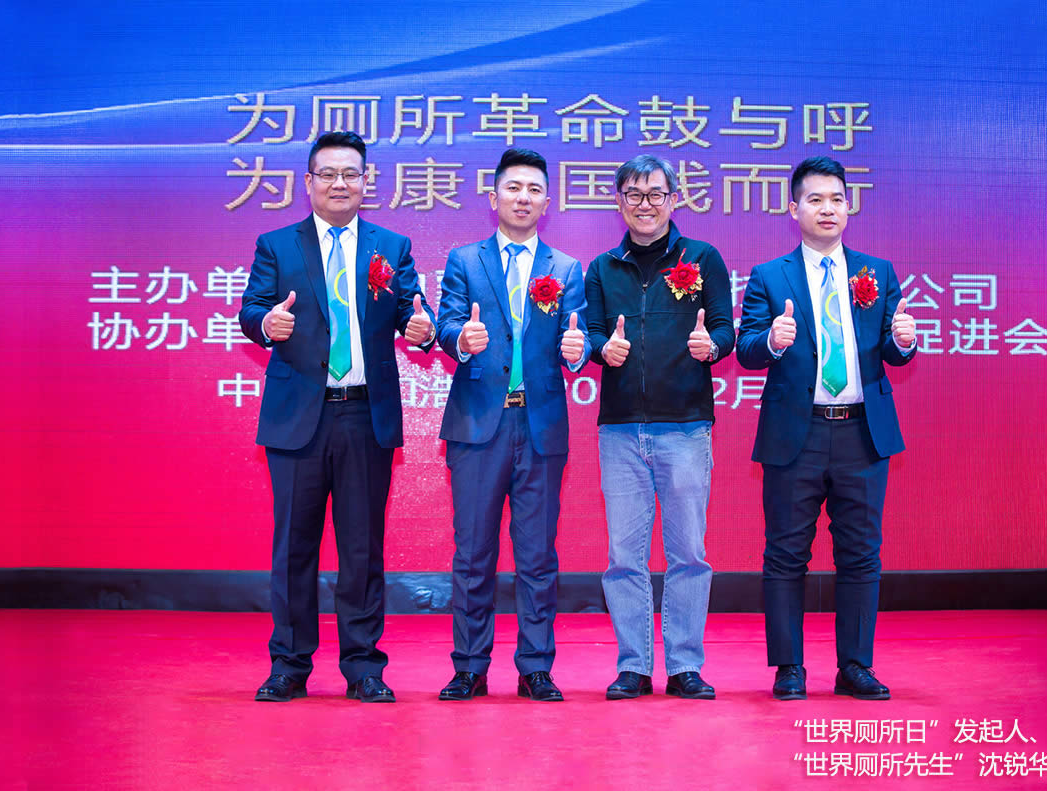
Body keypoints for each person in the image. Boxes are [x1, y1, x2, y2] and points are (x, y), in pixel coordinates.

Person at [238, 131, 436, 703]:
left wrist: (421, 330)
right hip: (298, 418)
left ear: (366, 182)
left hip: (364, 416)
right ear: (309, 182)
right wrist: (265, 323)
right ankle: (289, 665)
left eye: (351, 173)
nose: (340, 183)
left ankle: (364, 667)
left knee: (362, 549)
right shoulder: (277, 245)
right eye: (328, 173)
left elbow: (412, 311)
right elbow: (252, 309)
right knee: (294, 548)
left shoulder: (391, 246)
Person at [735, 155, 917, 701]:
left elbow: (892, 350)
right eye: (815, 199)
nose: (828, 208)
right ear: (794, 209)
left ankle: (855, 666)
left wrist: (903, 341)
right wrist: (772, 341)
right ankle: (788, 667)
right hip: (797, 434)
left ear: (849, 206)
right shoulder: (770, 277)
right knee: (785, 553)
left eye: (837, 198)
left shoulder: (876, 273)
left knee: (861, 554)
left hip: (862, 432)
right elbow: (746, 350)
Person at [433, 148, 587, 702]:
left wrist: (578, 351)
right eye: (513, 188)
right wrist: (460, 338)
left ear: (547, 202)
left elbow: (579, 335)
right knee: (473, 553)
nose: (523, 198)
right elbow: (447, 323)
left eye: (534, 190)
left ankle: (535, 667)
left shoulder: (566, 268)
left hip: (540, 427)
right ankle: (469, 667)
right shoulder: (464, 261)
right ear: (493, 196)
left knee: (537, 555)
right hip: (478, 425)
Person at [582, 154, 735, 700]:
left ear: (674, 199)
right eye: (633, 194)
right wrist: (603, 348)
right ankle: (634, 666)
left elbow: (726, 329)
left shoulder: (703, 258)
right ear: (619, 201)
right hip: (621, 429)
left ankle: (686, 665)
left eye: (655, 194)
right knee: (624, 557)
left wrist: (711, 345)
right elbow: (591, 332)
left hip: (686, 426)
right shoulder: (602, 267)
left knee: (688, 553)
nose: (644, 205)